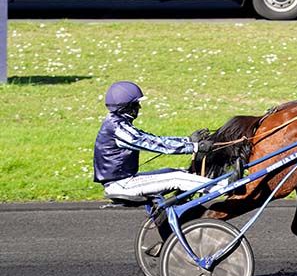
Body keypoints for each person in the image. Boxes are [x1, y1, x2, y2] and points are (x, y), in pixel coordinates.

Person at [93, 81, 227, 200]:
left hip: (124, 181)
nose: (139, 107)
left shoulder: (117, 123)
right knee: (178, 179)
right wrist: (195, 147)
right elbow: (154, 144)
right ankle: (227, 187)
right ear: (126, 106)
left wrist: (188, 140)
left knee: (179, 172)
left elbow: (154, 139)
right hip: (122, 185)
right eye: (136, 104)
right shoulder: (118, 129)